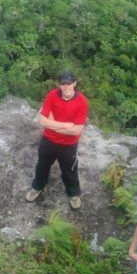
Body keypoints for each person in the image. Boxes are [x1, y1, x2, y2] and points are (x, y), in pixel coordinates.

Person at [25, 70, 88, 209]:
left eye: (69, 84)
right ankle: (37, 187)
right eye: (63, 84)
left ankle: (73, 194)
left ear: (74, 84)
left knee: (69, 170)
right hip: (49, 140)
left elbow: (77, 130)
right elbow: (43, 120)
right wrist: (65, 125)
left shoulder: (82, 102)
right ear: (59, 85)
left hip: (69, 144)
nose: (66, 87)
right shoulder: (52, 95)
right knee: (42, 165)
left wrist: (53, 125)